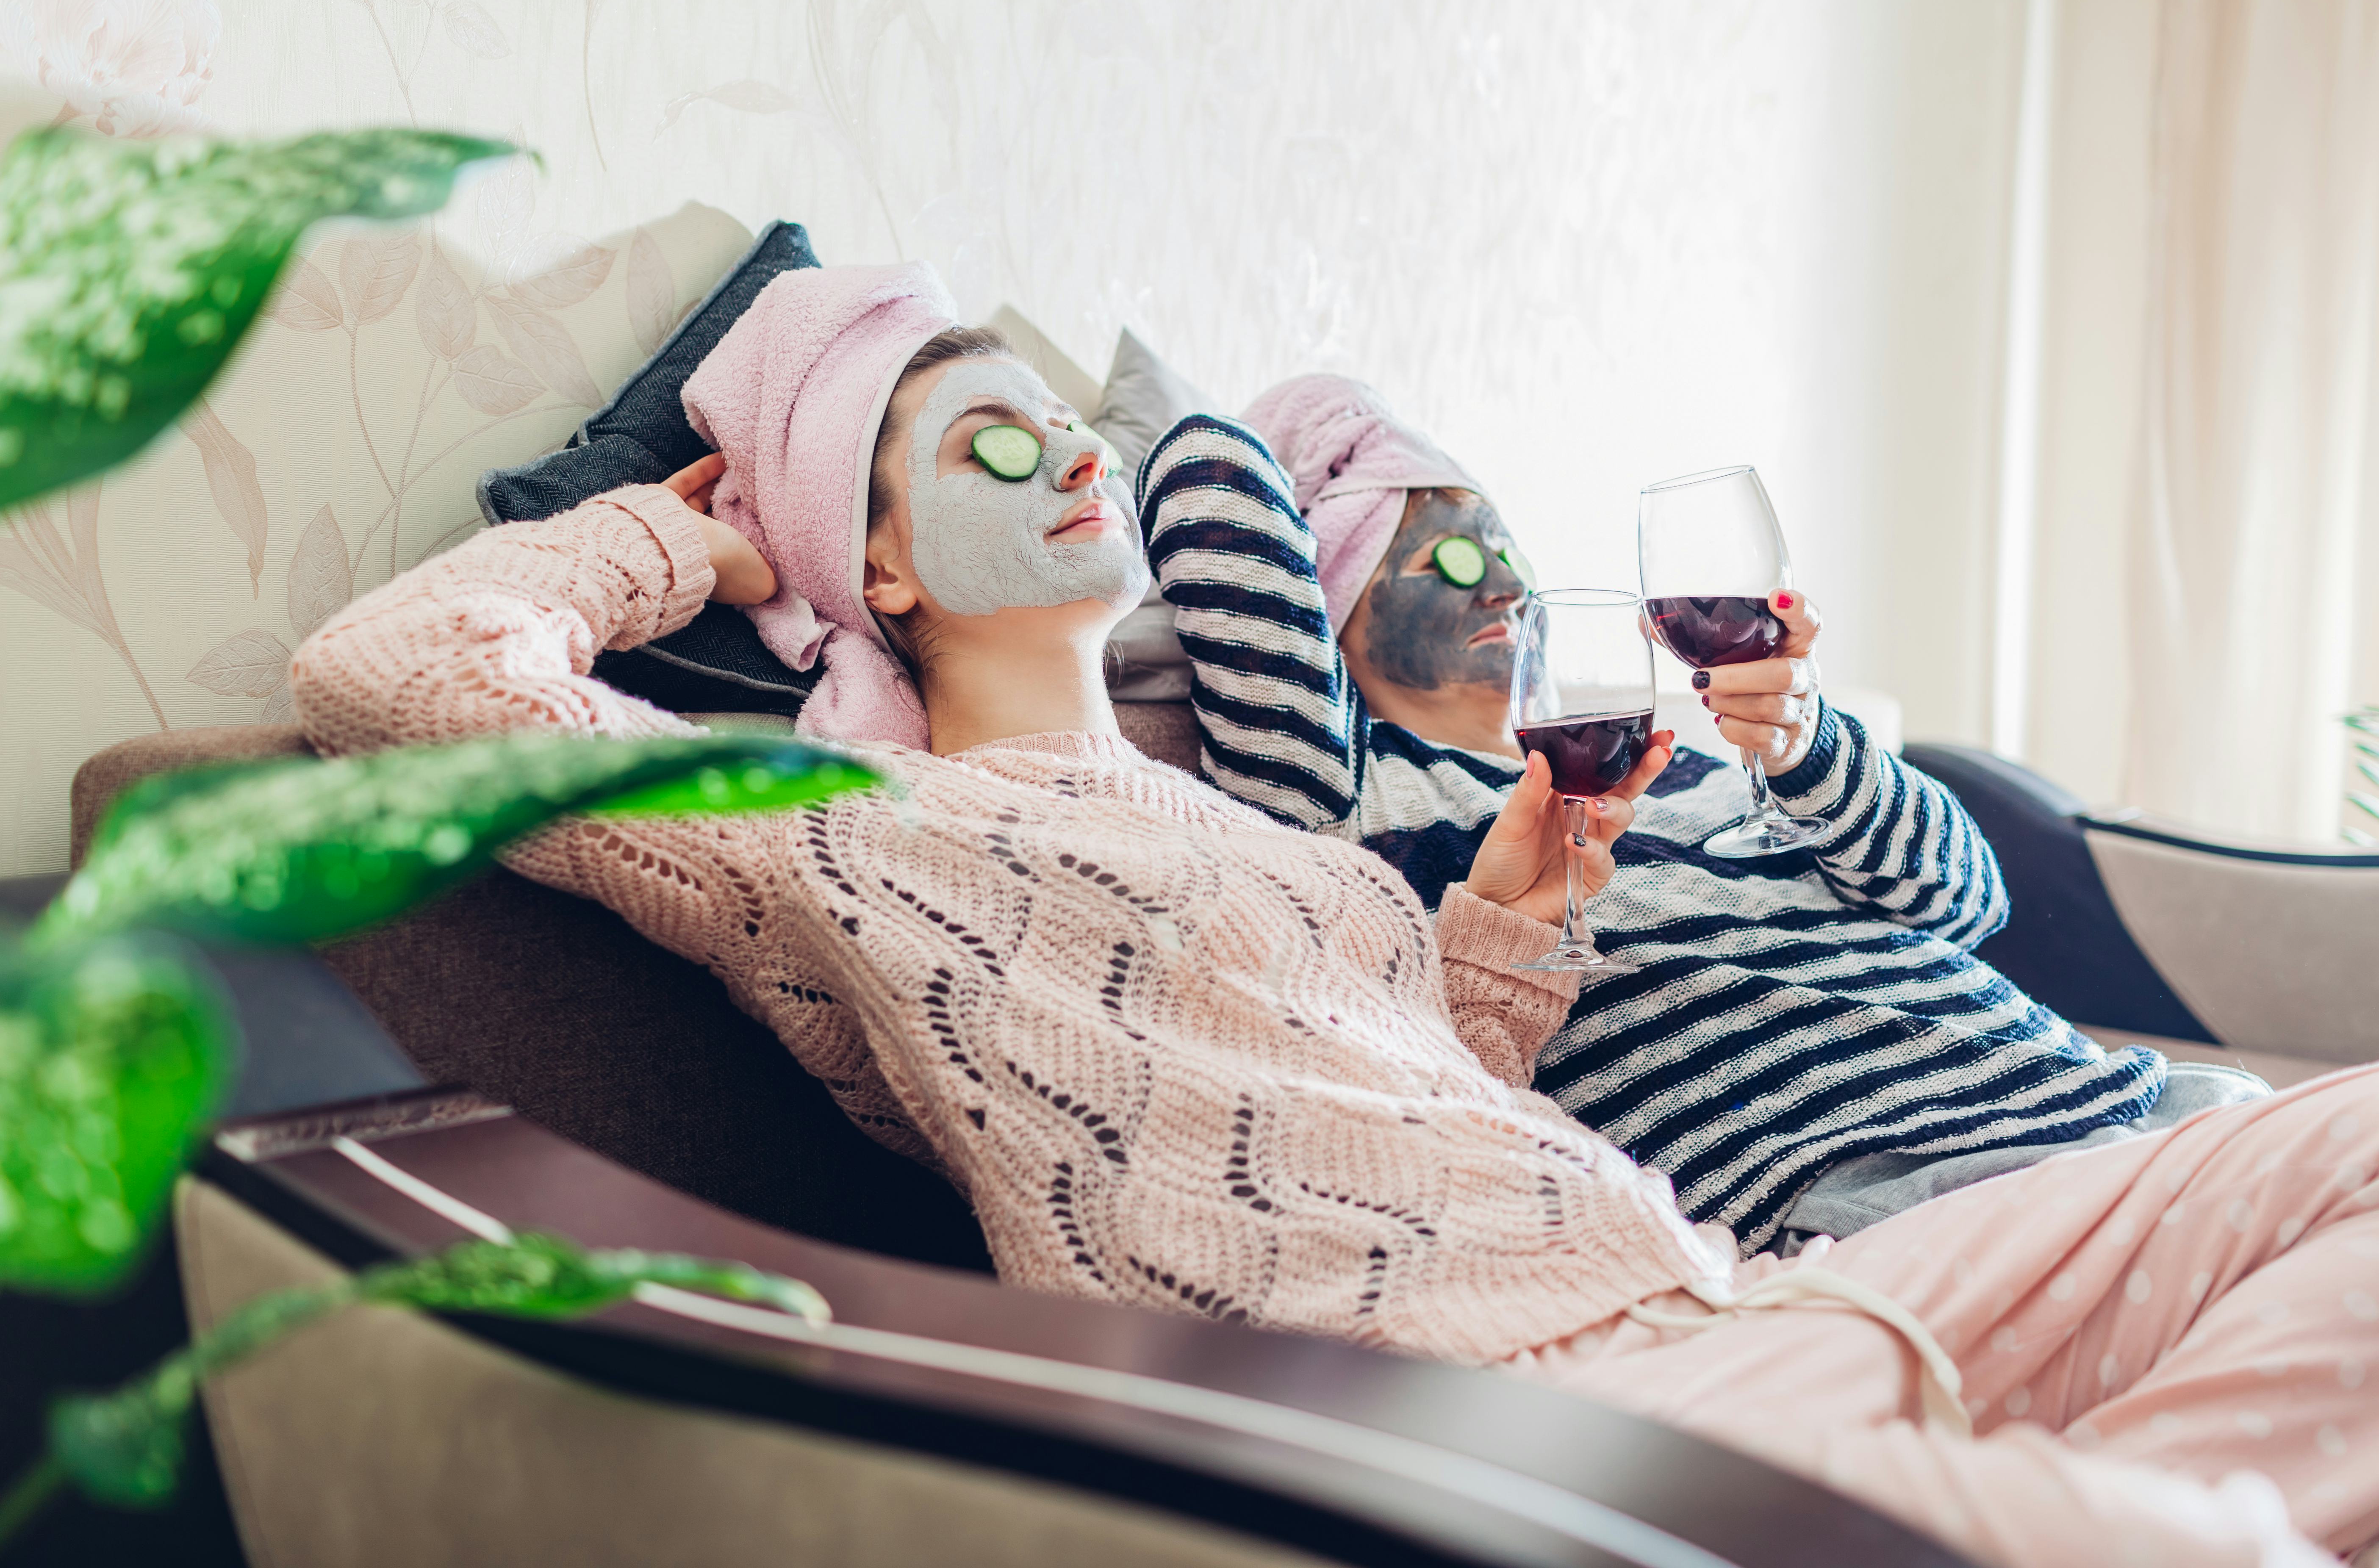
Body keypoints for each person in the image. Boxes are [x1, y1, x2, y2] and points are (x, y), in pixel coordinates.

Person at [292, 263, 2374, 1568]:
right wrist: (680, 545)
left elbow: (1392, 1112)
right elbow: (393, 686)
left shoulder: (1280, 849)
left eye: (1061, 410)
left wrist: (1505, 931)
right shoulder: (843, 823)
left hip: (1727, 1295)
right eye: (983, 436)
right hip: (1512, 1411)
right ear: (889, 566)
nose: (1071, 452)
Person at [1144, 374, 2265, 1253]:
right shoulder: (1350, 802)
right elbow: (1207, 464)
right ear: (1331, 590)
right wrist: (1352, 454)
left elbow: (1965, 901)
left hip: (2117, 1104)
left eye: (1505, 546)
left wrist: (1811, 746)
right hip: (1895, 1195)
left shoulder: (1686, 763)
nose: (1499, 580)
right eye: (1443, 550)